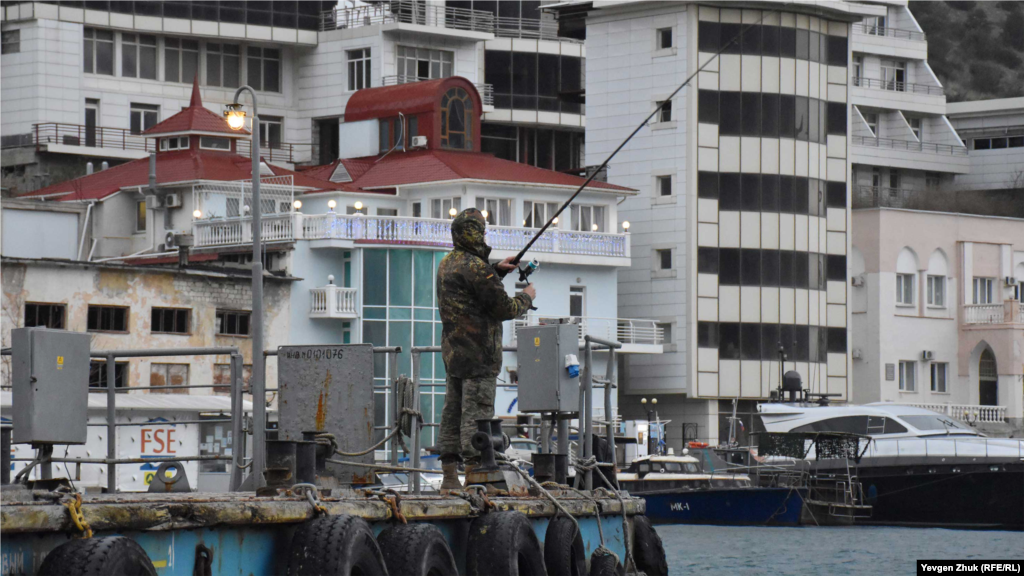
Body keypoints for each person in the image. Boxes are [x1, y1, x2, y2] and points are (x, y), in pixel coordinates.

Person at [436, 208, 536, 491]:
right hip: (480, 354)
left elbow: (471, 293)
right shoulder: (476, 267)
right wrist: (526, 298)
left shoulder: (448, 263)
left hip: (454, 353)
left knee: (452, 412)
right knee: (476, 415)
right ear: (478, 234)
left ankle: (449, 478)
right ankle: (474, 477)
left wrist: (496, 271)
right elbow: (504, 308)